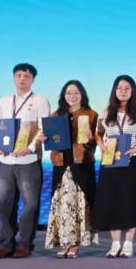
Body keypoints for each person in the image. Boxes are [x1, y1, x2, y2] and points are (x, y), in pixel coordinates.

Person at [0, 63, 52, 259]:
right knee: (2, 205)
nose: (22, 79)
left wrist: (31, 148)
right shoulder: (4, 101)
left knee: (30, 205)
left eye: (26, 76)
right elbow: (0, 127)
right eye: (18, 75)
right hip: (5, 161)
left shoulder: (40, 100)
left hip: (29, 160)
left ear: (33, 79)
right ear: (13, 78)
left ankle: (25, 244)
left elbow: (44, 128)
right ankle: (5, 244)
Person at [94, 75, 136, 259]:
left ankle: (128, 243)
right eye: (119, 88)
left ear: (132, 91)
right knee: (112, 200)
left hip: (132, 161)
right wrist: (102, 146)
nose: (123, 91)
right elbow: (98, 133)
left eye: (127, 88)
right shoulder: (106, 111)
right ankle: (115, 243)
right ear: (114, 91)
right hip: (110, 161)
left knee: (130, 200)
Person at [43, 79, 98, 258]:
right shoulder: (55, 115)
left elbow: (95, 144)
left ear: (82, 95)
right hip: (61, 163)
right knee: (63, 204)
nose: (72, 96)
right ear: (63, 95)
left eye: (76, 92)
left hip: (81, 164)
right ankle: (65, 242)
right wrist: (44, 138)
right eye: (68, 93)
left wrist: (91, 138)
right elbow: (52, 141)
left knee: (79, 203)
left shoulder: (91, 115)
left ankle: (76, 243)